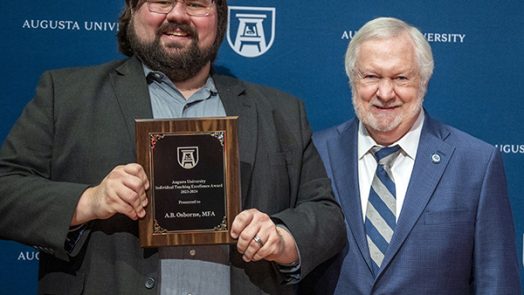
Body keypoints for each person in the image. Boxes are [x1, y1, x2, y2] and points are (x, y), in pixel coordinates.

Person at [0, 0, 346, 294]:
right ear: (132, 11)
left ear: (220, 19)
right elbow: (7, 189)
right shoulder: (66, 95)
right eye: (161, 1)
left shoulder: (281, 111)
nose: (178, 14)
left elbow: (325, 213)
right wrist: (89, 201)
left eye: (197, 3)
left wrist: (282, 237)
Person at [301, 17, 521, 294]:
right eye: (371, 76)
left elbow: (497, 283)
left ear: (424, 81)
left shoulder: (476, 163)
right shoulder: (315, 152)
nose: (384, 93)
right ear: (352, 79)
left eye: (400, 78)